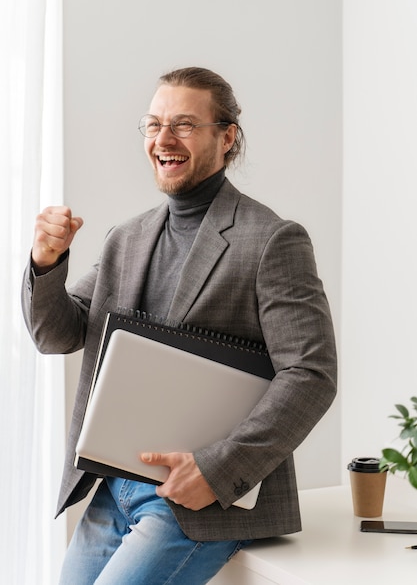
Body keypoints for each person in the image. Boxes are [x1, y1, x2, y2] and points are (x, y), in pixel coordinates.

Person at [22, 66, 337, 584]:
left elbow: (311, 374)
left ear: (227, 137)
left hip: (200, 501)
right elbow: (58, 333)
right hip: (112, 487)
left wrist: (214, 473)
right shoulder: (128, 237)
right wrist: (45, 263)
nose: (163, 140)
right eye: (153, 124)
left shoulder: (273, 239)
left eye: (185, 124)